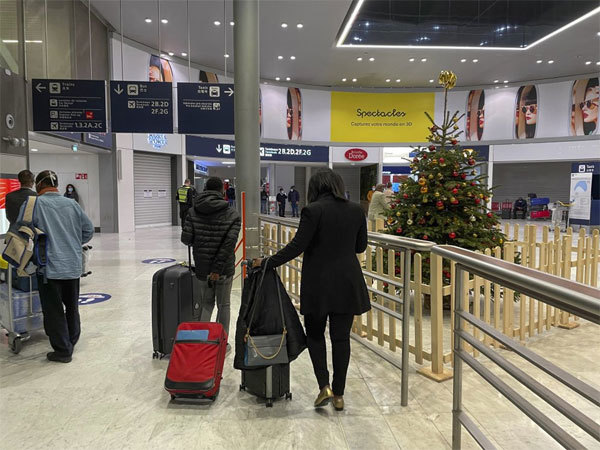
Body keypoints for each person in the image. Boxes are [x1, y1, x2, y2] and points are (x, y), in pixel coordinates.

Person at [253, 169, 370, 411]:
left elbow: (297, 246)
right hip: (348, 282)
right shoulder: (356, 210)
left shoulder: (313, 210)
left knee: (315, 335)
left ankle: (324, 386)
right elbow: (360, 247)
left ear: (315, 188)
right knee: (341, 338)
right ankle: (339, 394)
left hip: (318, 283)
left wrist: (267, 262)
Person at [16, 170, 94, 363]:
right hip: (72, 265)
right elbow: (88, 230)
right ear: (56, 185)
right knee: (72, 306)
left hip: (48, 268)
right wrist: (73, 243)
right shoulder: (72, 204)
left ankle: (62, 351)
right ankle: (71, 340)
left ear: (39, 185)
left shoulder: (33, 204)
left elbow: (20, 232)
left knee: (53, 310)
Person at [181, 177, 241, 343]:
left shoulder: (193, 212)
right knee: (224, 305)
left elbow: (186, 239)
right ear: (222, 191)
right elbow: (229, 245)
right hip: (224, 269)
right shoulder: (233, 214)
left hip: (202, 267)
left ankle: (203, 342)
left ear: (205, 189)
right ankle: (221, 343)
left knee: (206, 303)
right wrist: (217, 269)